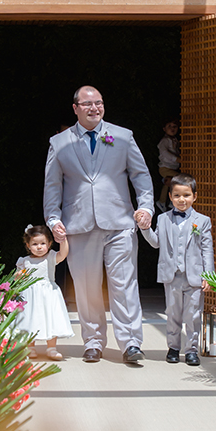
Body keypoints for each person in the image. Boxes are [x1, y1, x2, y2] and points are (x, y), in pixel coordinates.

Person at [44, 84, 154, 365]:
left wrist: (145, 206)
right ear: (75, 108)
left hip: (119, 222)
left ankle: (130, 342)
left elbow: (140, 175)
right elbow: (53, 185)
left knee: (124, 285)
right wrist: (53, 218)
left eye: (99, 103)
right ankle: (93, 341)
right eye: (88, 104)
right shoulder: (59, 142)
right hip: (78, 225)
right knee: (86, 287)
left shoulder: (122, 136)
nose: (94, 108)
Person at [139, 173, 213, 367]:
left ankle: (191, 350)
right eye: (177, 196)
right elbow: (156, 243)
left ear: (194, 197)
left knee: (193, 314)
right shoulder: (163, 219)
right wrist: (145, 229)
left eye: (186, 195)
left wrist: (209, 274)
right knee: (172, 312)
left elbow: (207, 249)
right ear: (170, 197)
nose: (182, 200)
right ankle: (173, 347)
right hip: (171, 275)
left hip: (194, 276)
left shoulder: (202, 220)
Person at [15, 224, 73, 360]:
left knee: (50, 318)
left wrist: (63, 239)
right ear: (28, 245)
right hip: (30, 296)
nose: (39, 247)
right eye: (35, 244)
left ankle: (51, 348)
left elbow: (63, 254)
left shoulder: (51, 257)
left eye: (43, 243)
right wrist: (18, 275)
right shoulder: (25, 261)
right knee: (30, 319)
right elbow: (17, 275)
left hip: (48, 294)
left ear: (50, 243)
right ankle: (30, 347)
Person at [156, 119, 180, 212]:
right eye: (169, 126)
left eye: (174, 126)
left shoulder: (175, 140)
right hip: (165, 168)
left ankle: (162, 202)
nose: (172, 128)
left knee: (169, 183)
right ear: (164, 129)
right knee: (179, 178)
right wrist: (177, 159)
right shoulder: (165, 141)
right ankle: (172, 201)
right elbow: (165, 153)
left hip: (171, 168)